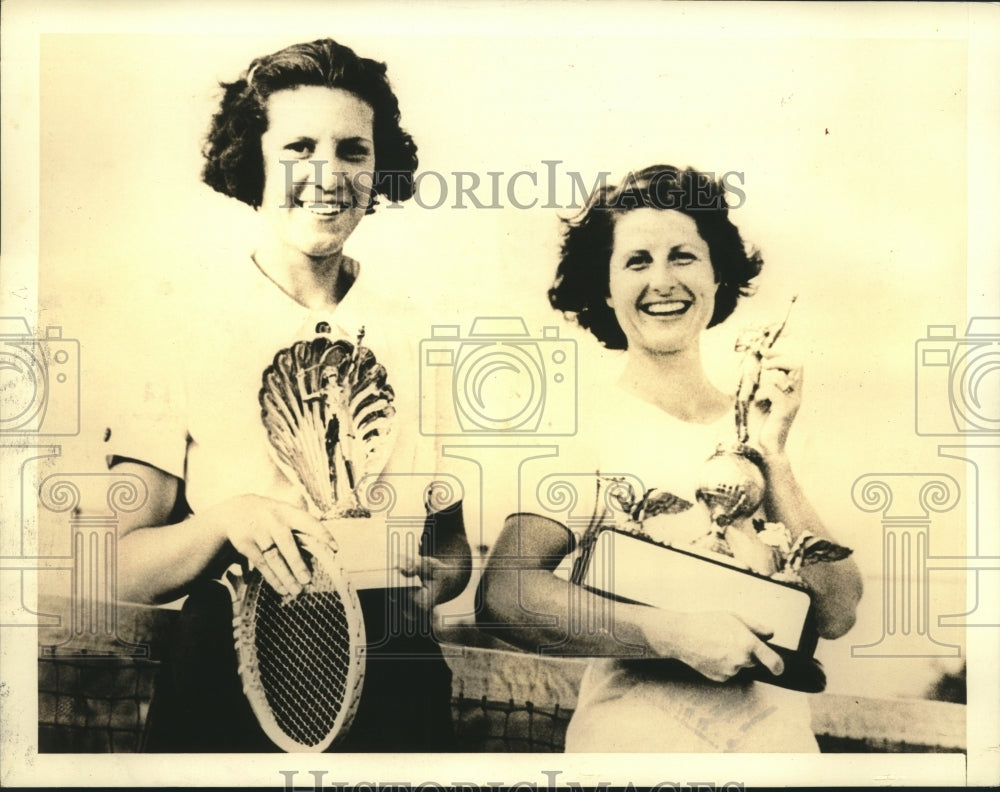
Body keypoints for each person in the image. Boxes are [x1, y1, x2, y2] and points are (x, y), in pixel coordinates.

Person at [106, 38, 471, 752]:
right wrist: (228, 519)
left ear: (378, 166)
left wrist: (425, 585)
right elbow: (121, 567)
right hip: (230, 683)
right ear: (252, 158)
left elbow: (450, 551)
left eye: (354, 151)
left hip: (395, 679)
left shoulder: (420, 336)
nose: (328, 175)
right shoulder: (178, 328)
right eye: (299, 147)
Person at [477, 165, 862, 752]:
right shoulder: (579, 424)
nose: (662, 280)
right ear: (604, 289)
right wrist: (671, 634)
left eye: (684, 256)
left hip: (775, 756)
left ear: (717, 278)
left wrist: (773, 458)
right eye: (636, 261)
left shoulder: (768, 425)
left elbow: (836, 613)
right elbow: (506, 595)